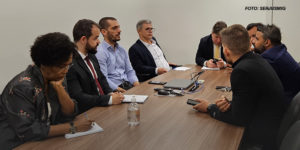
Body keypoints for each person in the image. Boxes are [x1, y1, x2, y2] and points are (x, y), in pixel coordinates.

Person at [192, 24, 285, 150]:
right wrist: (233, 104)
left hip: (261, 139)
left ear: (226, 51)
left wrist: (209, 108)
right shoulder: (257, 59)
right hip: (274, 128)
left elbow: (239, 118)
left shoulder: (241, 71)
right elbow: (250, 100)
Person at [0, 32, 93, 149]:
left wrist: (60, 89)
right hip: (17, 145)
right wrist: (72, 127)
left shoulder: (56, 77)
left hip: (45, 141)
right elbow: (27, 131)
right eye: (61, 66)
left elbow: (70, 113)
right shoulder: (22, 87)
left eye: (68, 65)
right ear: (44, 64)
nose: (66, 70)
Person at [66, 19, 124, 113]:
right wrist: (109, 100)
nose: (99, 42)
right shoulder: (70, 63)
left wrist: (110, 93)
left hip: (103, 106)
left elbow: (101, 78)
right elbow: (79, 96)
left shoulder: (92, 55)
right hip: (89, 112)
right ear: (83, 39)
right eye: (95, 38)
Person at [254, 24, 300, 106]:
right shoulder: (280, 51)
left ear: (267, 42)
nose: (253, 41)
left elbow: (257, 87)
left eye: (257, 39)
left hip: (284, 107)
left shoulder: (271, 60)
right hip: (291, 99)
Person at [96, 17, 139, 92]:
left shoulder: (122, 50)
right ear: (104, 32)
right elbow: (103, 78)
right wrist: (120, 90)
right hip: (114, 90)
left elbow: (129, 71)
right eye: (114, 28)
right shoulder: (100, 52)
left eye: (118, 27)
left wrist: (137, 85)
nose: (119, 31)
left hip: (128, 85)